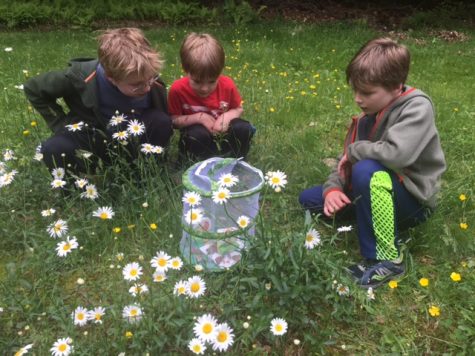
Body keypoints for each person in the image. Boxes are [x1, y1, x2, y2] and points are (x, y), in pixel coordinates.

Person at [299, 37, 446, 288]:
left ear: (397, 86)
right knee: (311, 201)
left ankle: (387, 259)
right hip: (380, 188)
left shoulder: (417, 108)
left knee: (367, 169)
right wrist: (333, 189)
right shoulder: (368, 117)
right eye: (355, 90)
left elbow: (396, 154)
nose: (357, 98)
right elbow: (345, 159)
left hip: (413, 201)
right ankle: (372, 216)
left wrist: (357, 151)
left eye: (366, 92)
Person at [24, 27, 173, 176]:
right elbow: (33, 88)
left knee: (161, 121)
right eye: (137, 85)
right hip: (94, 135)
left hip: (131, 136)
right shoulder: (81, 78)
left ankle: (145, 174)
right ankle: (75, 188)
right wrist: (60, 124)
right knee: (54, 147)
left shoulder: (152, 82)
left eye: (151, 78)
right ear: (111, 78)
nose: (147, 88)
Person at [168, 32, 254, 162]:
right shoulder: (177, 89)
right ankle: (193, 166)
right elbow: (173, 121)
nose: (204, 88)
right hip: (197, 137)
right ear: (186, 70)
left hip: (223, 132)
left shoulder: (227, 85)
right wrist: (199, 118)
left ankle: (236, 162)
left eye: (212, 81)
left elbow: (238, 109)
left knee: (242, 128)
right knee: (196, 134)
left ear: (220, 72)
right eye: (197, 81)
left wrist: (226, 117)